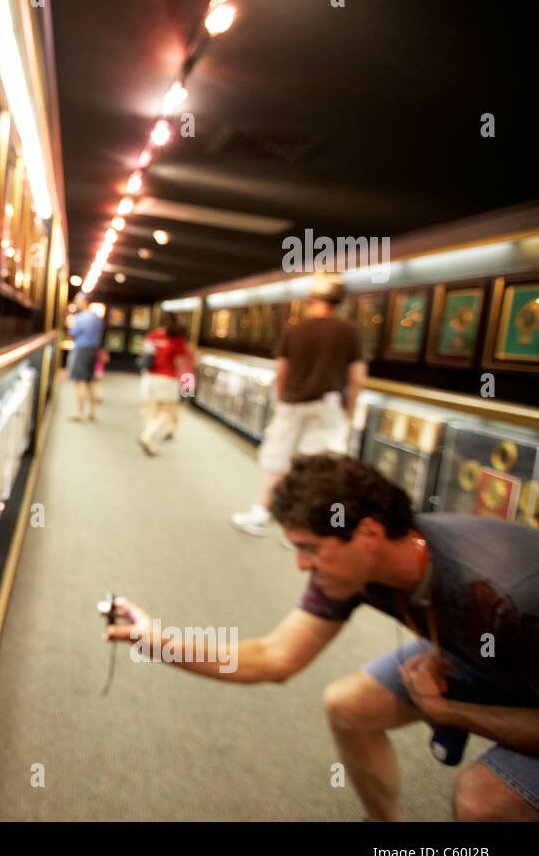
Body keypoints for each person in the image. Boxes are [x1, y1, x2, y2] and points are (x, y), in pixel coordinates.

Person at [105, 454, 539, 821]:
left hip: (515, 653)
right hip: (480, 653)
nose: (301, 566)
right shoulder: (356, 569)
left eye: (310, 548)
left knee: (481, 801)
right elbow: (273, 658)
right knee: (348, 707)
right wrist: (154, 641)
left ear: (368, 533)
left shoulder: (506, 594)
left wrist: (449, 711)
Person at [232, 275, 367, 535]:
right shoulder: (350, 332)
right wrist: (347, 413)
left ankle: (261, 513)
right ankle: (303, 527)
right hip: (329, 407)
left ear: (312, 299)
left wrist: (282, 399)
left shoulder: (295, 330)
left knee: (277, 459)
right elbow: (356, 379)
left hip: (292, 404)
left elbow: (281, 372)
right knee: (318, 468)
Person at [137, 312, 193, 456]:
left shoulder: (151, 336)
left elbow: (144, 354)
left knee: (152, 410)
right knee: (168, 412)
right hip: (167, 379)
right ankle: (147, 436)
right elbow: (179, 362)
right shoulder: (177, 340)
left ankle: (150, 442)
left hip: (149, 378)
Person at [66, 292, 104, 422]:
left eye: (77, 300)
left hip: (81, 351)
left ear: (84, 301)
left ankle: (81, 413)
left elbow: (73, 333)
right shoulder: (96, 317)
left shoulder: (80, 317)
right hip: (94, 351)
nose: (76, 303)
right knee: (91, 381)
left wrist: (69, 323)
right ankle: (92, 412)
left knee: (80, 382)